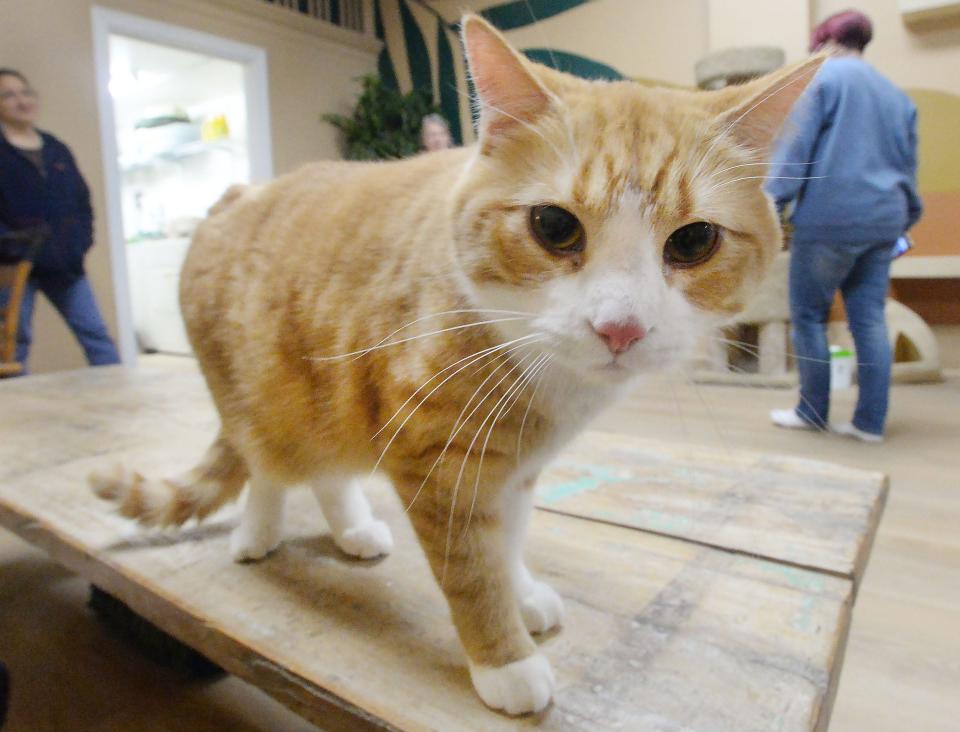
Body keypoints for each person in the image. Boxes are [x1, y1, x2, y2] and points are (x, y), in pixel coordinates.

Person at [767, 10, 922, 443]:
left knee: (809, 315)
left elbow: (796, 152)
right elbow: (908, 167)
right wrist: (905, 220)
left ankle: (812, 412)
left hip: (832, 217)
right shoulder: (896, 96)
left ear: (823, 42)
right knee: (869, 319)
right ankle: (869, 423)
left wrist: (771, 202)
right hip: (885, 219)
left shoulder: (823, 79)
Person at [0, 68, 120, 372]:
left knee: (96, 336)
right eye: (9, 95)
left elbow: (82, 202)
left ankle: (122, 402)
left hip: (66, 264)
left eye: (25, 92)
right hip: (14, 267)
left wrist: (79, 243)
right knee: (14, 346)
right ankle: (14, 414)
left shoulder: (56, 148)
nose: (21, 101)